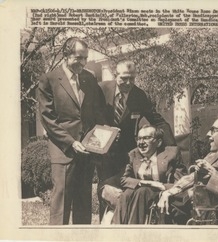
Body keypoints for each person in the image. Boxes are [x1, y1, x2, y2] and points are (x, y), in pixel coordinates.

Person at [38, 37, 107, 225]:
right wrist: (70, 142)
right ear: (66, 55)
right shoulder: (49, 80)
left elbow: (98, 110)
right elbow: (48, 119)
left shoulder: (90, 78)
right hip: (64, 151)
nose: (83, 63)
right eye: (78, 58)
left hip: (86, 151)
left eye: (85, 58)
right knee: (61, 205)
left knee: (84, 204)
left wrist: (105, 133)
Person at [96, 59, 177, 216]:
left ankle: (124, 225)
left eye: (132, 78)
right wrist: (105, 129)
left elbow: (156, 119)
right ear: (115, 75)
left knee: (124, 190)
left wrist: (172, 147)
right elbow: (90, 117)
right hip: (103, 151)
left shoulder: (139, 95)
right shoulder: (101, 89)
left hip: (125, 153)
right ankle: (104, 227)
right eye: (124, 77)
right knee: (105, 190)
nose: (128, 82)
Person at [111, 125, 186, 224]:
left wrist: (161, 187)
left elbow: (180, 182)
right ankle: (116, 230)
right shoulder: (133, 154)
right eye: (139, 139)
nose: (141, 143)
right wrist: (147, 183)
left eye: (146, 138)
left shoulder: (172, 153)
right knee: (127, 194)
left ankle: (134, 233)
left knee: (142, 191)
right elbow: (124, 179)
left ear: (158, 142)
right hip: (142, 192)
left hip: (161, 192)